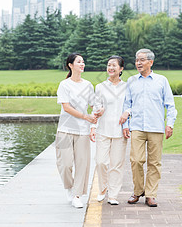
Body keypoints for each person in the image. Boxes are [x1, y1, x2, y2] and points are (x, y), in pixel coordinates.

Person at [122, 49, 177, 207]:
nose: (138, 63)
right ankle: (138, 191)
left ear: (151, 62)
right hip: (137, 126)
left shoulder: (161, 80)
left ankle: (151, 194)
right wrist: (126, 124)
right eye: (137, 60)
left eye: (142, 60)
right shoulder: (131, 81)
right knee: (136, 160)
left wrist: (170, 124)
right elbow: (127, 105)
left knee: (154, 162)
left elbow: (170, 105)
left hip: (156, 127)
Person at [55, 53, 100, 208]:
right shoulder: (64, 85)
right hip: (65, 129)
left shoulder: (87, 85)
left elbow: (94, 105)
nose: (82, 64)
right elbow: (66, 107)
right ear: (70, 65)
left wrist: (94, 122)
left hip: (82, 131)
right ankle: (69, 187)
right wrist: (85, 116)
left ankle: (77, 195)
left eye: (83, 62)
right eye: (79, 62)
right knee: (65, 164)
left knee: (82, 163)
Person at [90, 56, 129, 205]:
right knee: (100, 162)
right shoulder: (100, 87)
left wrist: (128, 113)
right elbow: (96, 106)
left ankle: (113, 194)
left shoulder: (127, 87)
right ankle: (102, 188)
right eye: (108, 65)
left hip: (120, 131)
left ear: (121, 69)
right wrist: (93, 126)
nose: (110, 68)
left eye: (114, 65)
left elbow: (130, 105)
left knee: (116, 164)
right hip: (103, 129)